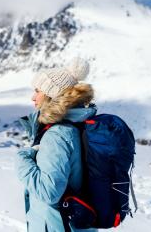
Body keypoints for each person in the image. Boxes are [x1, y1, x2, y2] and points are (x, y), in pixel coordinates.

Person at [15, 57, 98, 232]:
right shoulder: (78, 124)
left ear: (51, 95)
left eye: (37, 91)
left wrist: (22, 159)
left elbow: (48, 192)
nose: (33, 97)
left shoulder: (57, 135)